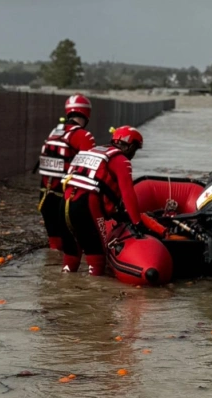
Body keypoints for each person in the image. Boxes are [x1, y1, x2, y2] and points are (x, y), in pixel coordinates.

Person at [60, 126, 145, 275]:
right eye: (135, 149)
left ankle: (66, 289)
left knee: (71, 253)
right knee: (97, 255)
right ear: (131, 146)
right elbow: (128, 194)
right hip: (86, 204)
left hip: (64, 203)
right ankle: (96, 294)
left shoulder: (91, 152)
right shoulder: (121, 160)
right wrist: (137, 223)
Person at [37, 94, 96, 250]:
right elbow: (92, 171)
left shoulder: (55, 132)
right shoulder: (84, 136)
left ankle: (51, 271)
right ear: (87, 114)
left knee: (55, 245)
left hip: (44, 195)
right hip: (66, 199)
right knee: (73, 245)